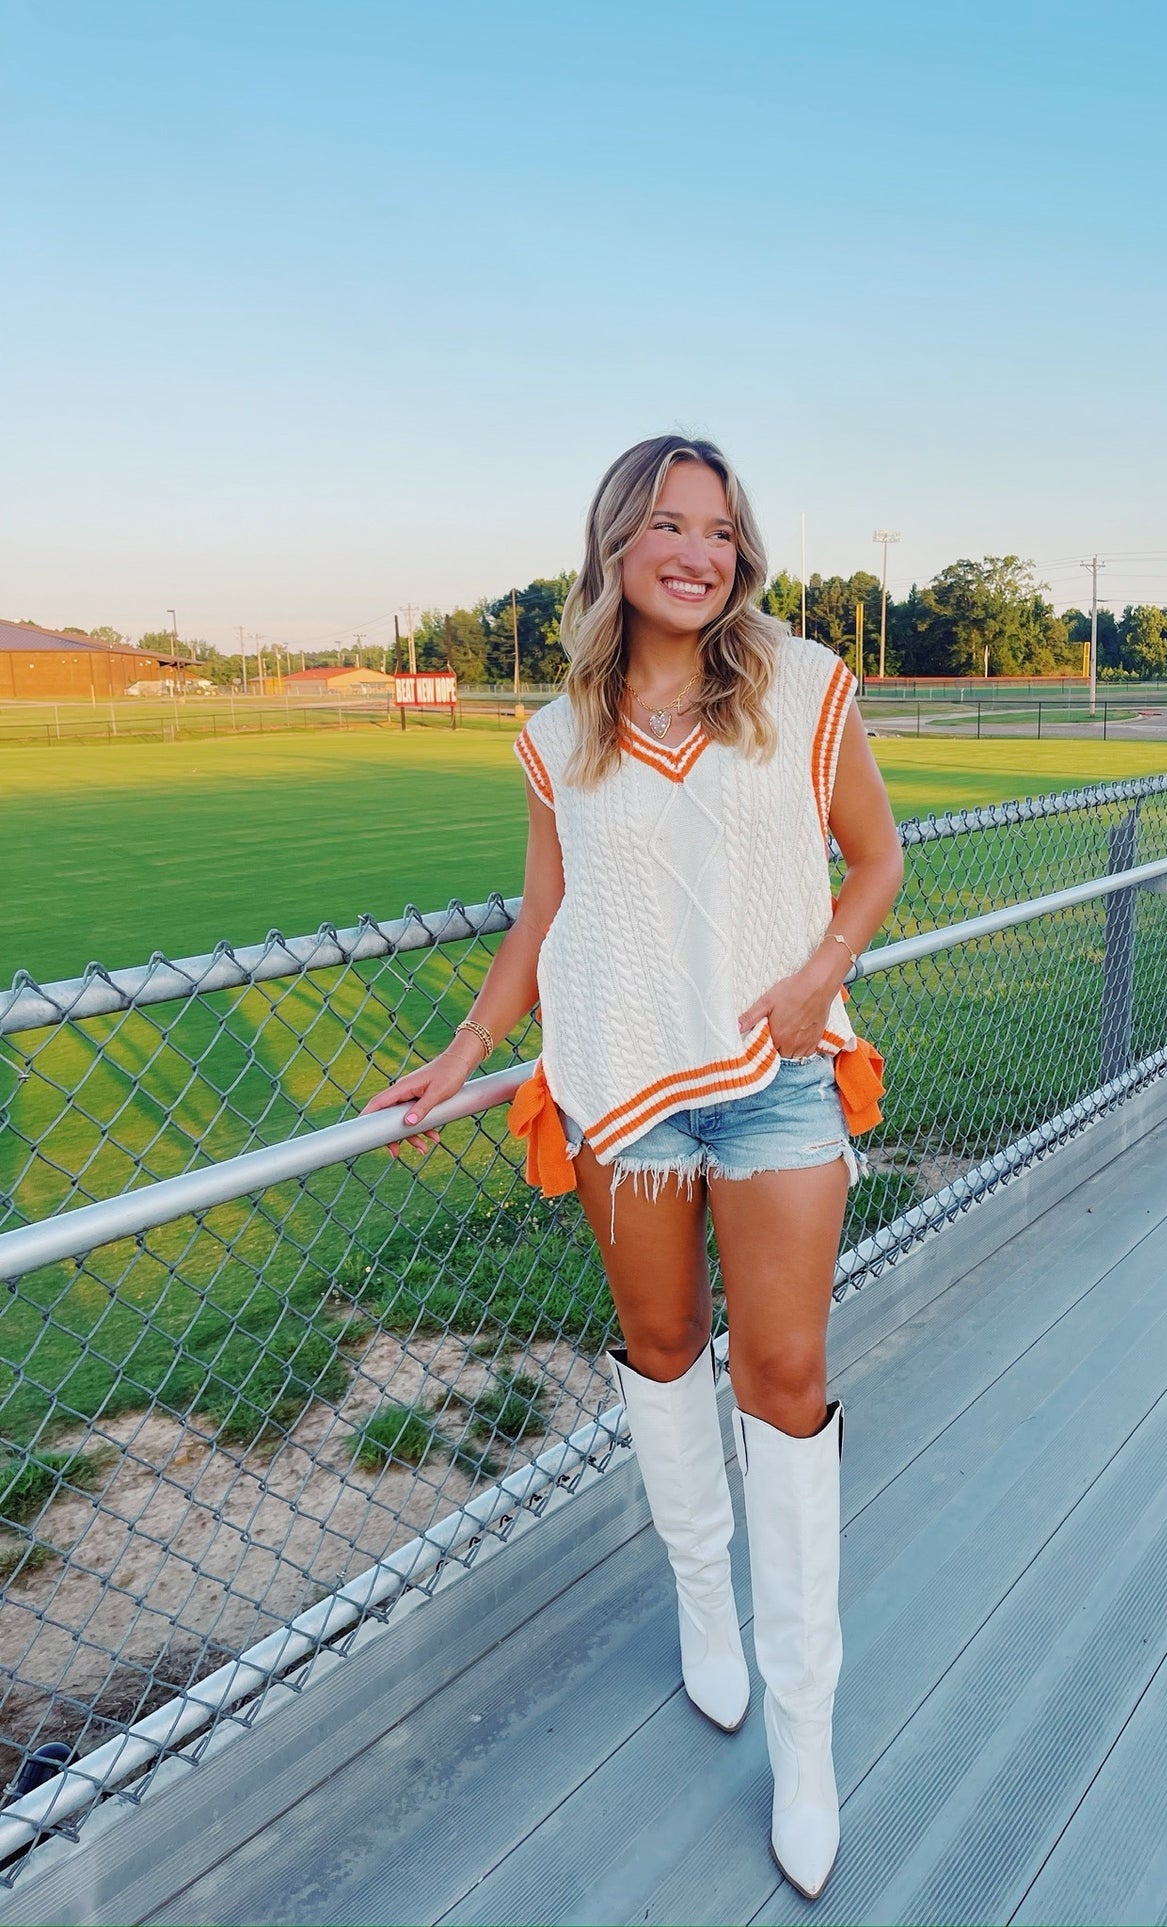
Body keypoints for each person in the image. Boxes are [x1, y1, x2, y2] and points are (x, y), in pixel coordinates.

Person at [365, 435, 903, 1899]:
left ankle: (805, 1733)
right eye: (668, 524)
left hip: (776, 1089)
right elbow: (546, 913)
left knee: (782, 1385)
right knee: (662, 1350)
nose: (697, 551)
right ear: (615, 545)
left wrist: (818, 980)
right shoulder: (555, 735)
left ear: (742, 553)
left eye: (718, 529)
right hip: (623, 1095)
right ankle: (703, 1619)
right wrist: (470, 1044)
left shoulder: (799, 683)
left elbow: (876, 857)